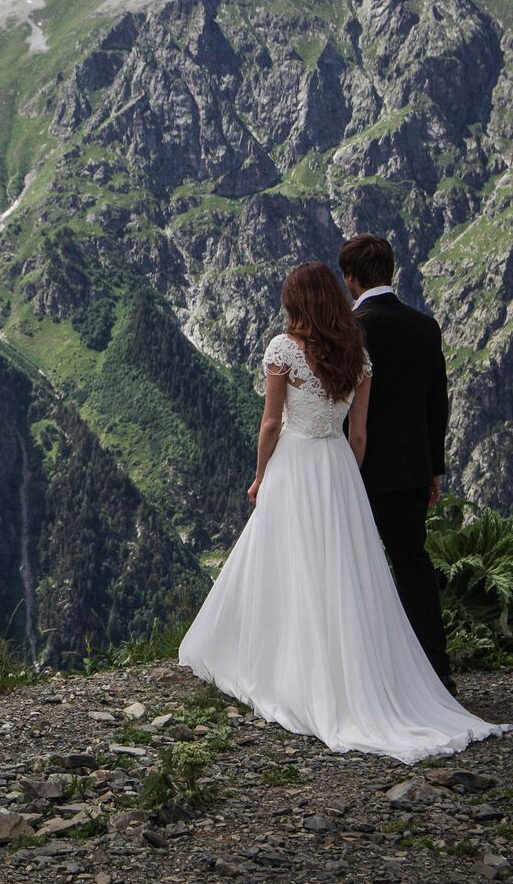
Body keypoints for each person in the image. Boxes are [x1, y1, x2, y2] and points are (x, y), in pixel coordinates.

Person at [179, 261, 506, 762]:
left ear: (297, 303)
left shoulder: (283, 349)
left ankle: (285, 667)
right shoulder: (357, 353)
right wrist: (346, 476)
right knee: (344, 573)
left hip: (295, 463)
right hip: (336, 464)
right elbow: (359, 434)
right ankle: (353, 672)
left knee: (287, 561)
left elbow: (270, 424)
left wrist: (261, 474)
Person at [339, 233, 453, 691]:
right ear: (391, 271)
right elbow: (436, 404)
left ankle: (368, 673)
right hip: (410, 468)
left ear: (350, 278)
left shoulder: (351, 331)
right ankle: (435, 669)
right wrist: (434, 469)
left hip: (357, 470)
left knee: (356, 568)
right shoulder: (425, 326)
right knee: (412, 564)